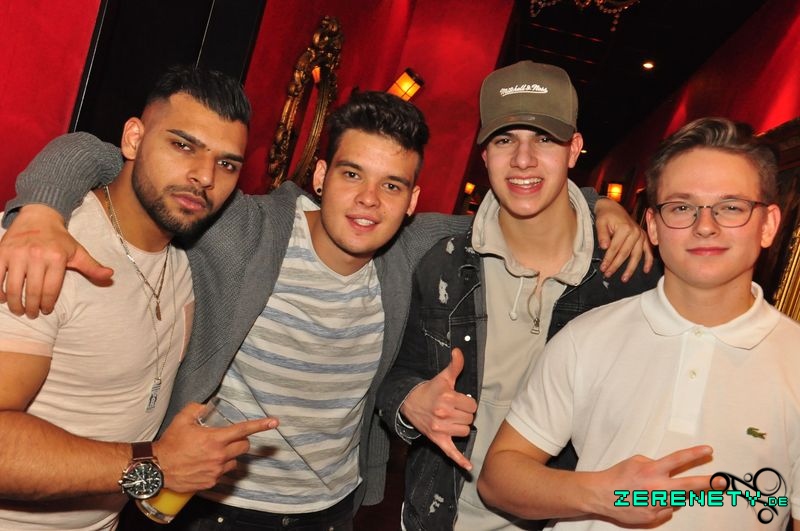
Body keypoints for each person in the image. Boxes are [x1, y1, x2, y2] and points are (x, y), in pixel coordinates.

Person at [0, 89, 649, 529]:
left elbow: (527, 208)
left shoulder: (414, 246)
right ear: (319, 175)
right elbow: (104, 154)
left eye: (391, 185)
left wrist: (600, 204)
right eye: (351, 174)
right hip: (213, 505)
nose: (368, 201)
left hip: (333, 509)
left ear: (413, 200)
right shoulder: (243, 229)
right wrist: (40, 209)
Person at [375, 60, 660, 531]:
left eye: (544, 138)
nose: (523, 159)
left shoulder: (626, 277)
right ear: (485, 155)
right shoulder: (442, 261)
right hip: (439, 516)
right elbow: (397, 371)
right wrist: (410, 401)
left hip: (567, 522)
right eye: (505, 140)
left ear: (574, 149)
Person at [478, 117, 800, 531]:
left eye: (731, 207)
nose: (705, 226)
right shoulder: (587, 337)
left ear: (768, 224)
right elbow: (498, 479)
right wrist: (602, 493)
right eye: (681, 207)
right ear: (652, 226)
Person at [0, 65, 277, 531]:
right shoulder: (45, 252)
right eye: (183, 145)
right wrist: (154, 464)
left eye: (227, 164)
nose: (204, 176)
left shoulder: (190, 259)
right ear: (133, 139)